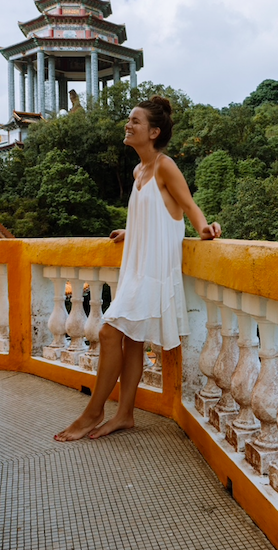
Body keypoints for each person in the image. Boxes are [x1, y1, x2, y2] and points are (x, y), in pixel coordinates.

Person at [55, 95, 221, 442]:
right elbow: (156, 213)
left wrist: (204, 229)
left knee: (108, 332)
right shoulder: (138, 170)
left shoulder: (164, 165)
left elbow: (188, 206)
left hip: (153, 272)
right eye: (129, 120)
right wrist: (132, 230)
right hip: (136, 266)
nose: (128, 125)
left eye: (135, 121)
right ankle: (125, 414)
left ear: (154, 131)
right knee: (130, 342)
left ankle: (94, 412)